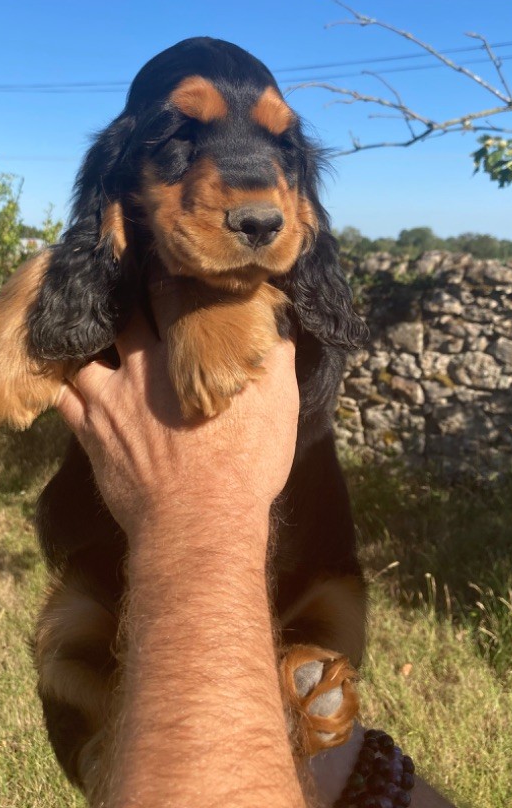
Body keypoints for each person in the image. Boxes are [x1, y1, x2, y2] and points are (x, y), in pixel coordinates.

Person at [57, 315, 455, 808]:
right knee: (67, 639)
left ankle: (307, 705)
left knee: (335, 615)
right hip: (100, 600)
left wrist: (190, 511)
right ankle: (100, 737)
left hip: (309, 591)